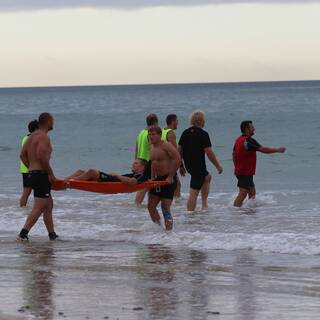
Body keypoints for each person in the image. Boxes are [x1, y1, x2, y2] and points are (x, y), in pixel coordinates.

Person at [17, 113, 58, 241]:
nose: (53, 124)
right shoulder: (43, 137)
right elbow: (41, 155)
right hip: (41, 175)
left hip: (33, 174)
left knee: (48, 205)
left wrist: (31, 167)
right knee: (39, 207)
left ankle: (52, 235)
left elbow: (22, 155)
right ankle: (23, 234)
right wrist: (50, 173)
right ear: (48, 122)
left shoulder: (31, 136)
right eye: (52, 121)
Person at [233, 120, 286, 207]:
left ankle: (248, 212)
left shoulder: (238, 140)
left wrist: (236, 166)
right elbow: (263, 149)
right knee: (243, 193)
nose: (254, 129)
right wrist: (277, 150)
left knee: (252, 192)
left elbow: (233, 154)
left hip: (242, 170)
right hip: (244, 171)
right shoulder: (248, 141)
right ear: (247, 129)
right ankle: (235, 213)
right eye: (252, 127)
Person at [178, 111, 223, 212]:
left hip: (189, 165)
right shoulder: (203, 134)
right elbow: (209, 153)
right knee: (194, 191)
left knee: (207, 177)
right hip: (198, 166)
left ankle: (204, 206)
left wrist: (181, 166)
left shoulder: (185, 133)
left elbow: (179, 151)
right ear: (202, 121)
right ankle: (190, 214)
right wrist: (218, 166)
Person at [147, 125, 181, 230]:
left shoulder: (166, 146)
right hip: (157, 180)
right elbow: (153, 163)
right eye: (149, 135)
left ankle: (169, 234)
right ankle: (159, 229)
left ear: (160, 135)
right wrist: (152, 178)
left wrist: (171, 176)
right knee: (151, 207)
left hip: (168, 179)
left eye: (153, 134)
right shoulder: (152, 147)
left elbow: (177, 159)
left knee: (165, 207)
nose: (151, 137)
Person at [134, 113, 159, 206]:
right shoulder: (150, 134)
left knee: (146, 185)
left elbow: (136, 147)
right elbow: (151, 148)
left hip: (140, 161)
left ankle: (146, 204)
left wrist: (135, 162)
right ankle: (137, 205)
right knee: (144, 186)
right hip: (147, 162)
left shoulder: (141, 132)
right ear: (155, 123)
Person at [65, 158, 148, 185]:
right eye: (133, 163)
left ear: (142, 167)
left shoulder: (140, 175)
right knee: (80, 171)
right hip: (110, 178)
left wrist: (117, 175)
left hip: (110, 179)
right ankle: (65, 180)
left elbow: (132, 182)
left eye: (136, 163)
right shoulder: (134, 173)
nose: (133, 165)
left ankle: (70, 183)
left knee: (92, 172)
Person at [161, 114, 182, 200]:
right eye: (177, 121)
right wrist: (181, 165)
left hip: (162, 163)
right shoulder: (170, 132)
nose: (178, 123)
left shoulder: (162, 131)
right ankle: (176, 205)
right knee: (177, 185)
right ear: (173, 121)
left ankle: (173, 202)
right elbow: (176, 151)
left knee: (173, 185)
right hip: (169, 164)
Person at [19, 120, 39, 207]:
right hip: (29, 168)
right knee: (31, 191)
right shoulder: (32, 139)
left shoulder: (25, 137)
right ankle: (37, 208)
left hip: (25, 168)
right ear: (35, 129)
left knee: (27, 191)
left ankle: (22, 209)